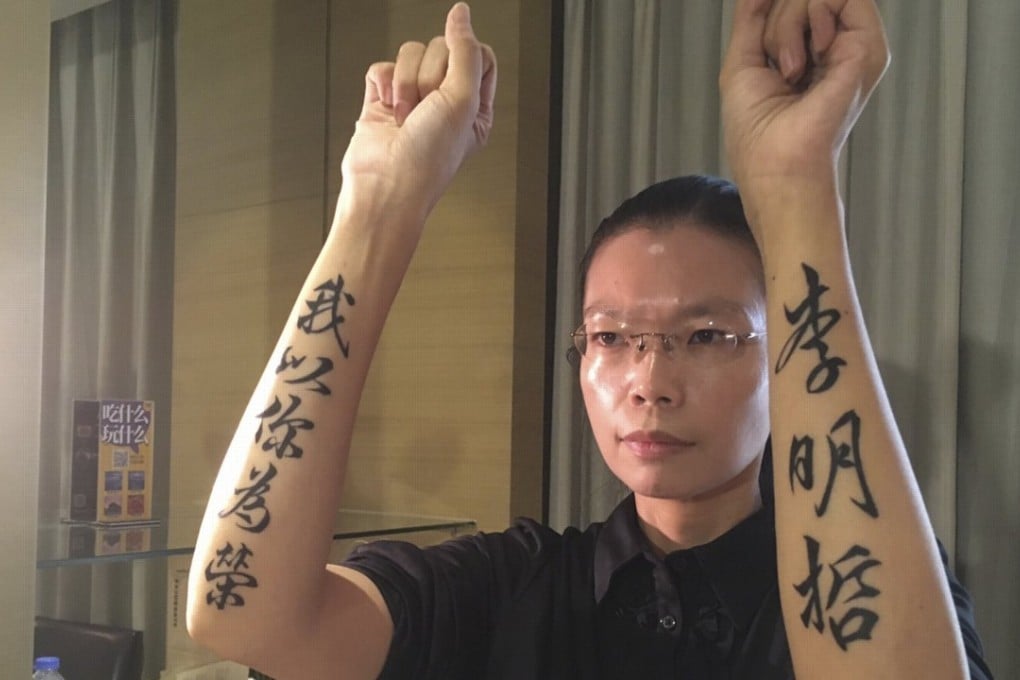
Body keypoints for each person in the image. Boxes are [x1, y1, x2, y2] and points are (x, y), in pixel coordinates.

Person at [186, 1, 993, 678]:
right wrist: (377, 206)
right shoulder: (509, 588)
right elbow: (242, 611)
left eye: (706, 335)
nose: (648, 380)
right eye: (610, 337)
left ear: (783, 356)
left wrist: (795, 187)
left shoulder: (892, 585)